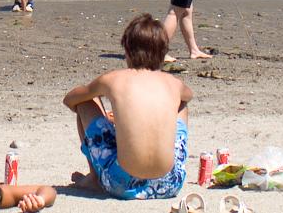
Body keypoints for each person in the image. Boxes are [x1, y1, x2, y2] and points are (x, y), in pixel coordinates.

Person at [62, 13, 193, 200]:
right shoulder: (173, 83)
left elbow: (71, 99)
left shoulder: (114, 79)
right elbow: (189, 96)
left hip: (120, 184)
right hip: (170, 183)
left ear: (127, 50)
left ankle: (94, 177)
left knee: (85, 102)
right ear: (163, 54)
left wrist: (109, 115)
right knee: (181, 105)